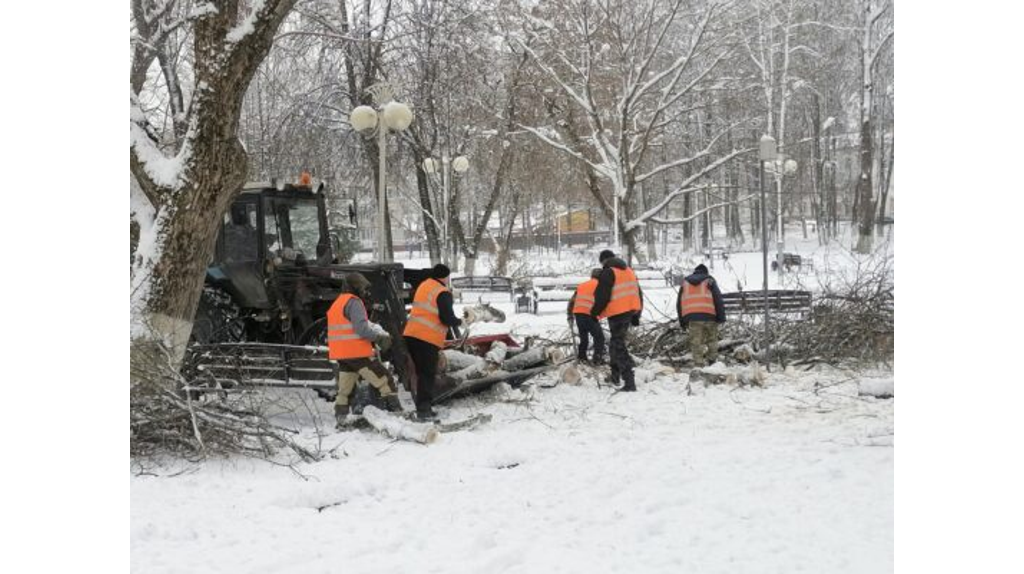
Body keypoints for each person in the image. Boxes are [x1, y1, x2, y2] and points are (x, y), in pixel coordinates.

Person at [327, 273, 402, 426]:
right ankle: (397, 414)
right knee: (385, 380)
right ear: (356, 287)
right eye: (363, 287)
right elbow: (361, 329)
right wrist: (380, 338)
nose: (366, 291)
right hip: (357, 353)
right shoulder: (354, 303)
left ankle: (341, 420)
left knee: (345, 390)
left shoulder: (338, 302)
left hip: (342, 354)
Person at [403, 264, 462, 421]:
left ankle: (423, 407)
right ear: (446, 277)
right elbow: (446, 318)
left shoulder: (424, 285)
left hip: (411, 334)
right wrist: (460, 321)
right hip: (426, 338)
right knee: (427, 374)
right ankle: (424, 411)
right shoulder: (443, 292)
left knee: (421, 373)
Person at [590, 250, 643, 391]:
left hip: (618, 313)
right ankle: (615, 376)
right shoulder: (629, 271)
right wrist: (637, 315)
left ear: (604, 260)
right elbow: (638, 293)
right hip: (629, 311)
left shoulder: (608, 272)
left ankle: (629, 381)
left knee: (618, 346)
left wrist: (594, 313)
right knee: (615, 344)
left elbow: (602, 296)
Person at [676, 263, 726, 367]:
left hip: (693, 317)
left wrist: (682, 321)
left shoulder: (685, 283)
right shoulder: (709, 280)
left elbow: (679, 303)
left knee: (696, 342)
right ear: (706, 272)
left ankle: (698, 363)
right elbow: (718, 299)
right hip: (710, 315)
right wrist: (721, 318)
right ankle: (712, 361)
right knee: (712, 340)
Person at [567, 268, 605, 364]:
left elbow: (572, 301)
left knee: (584, 338)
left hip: (578, 314)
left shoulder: (582, 286)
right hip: (590, 315)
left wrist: (569, 315)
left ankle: (582, 357)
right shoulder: (601, 286)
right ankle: (597, 359)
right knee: (599, 337)